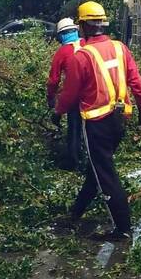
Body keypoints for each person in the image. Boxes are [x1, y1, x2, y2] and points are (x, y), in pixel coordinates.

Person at [55, 1, 141, 239]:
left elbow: (70, 93)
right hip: (120, 121)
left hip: (97, 124)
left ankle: (123, 229)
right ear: (102, 23)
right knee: (97, 169)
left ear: (83, 26)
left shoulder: (82, 56)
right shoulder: (120, 48)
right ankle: (75, 213)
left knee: (105, 174)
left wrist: (57, 113)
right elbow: (137, 83)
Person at [47, 18, 85, 170]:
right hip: (94, 94)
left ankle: (74, 162)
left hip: (74, 96)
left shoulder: (62, 52)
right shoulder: (87, 44)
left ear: (61, 35)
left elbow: (53, 80)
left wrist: (51, 98)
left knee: (74, 128)